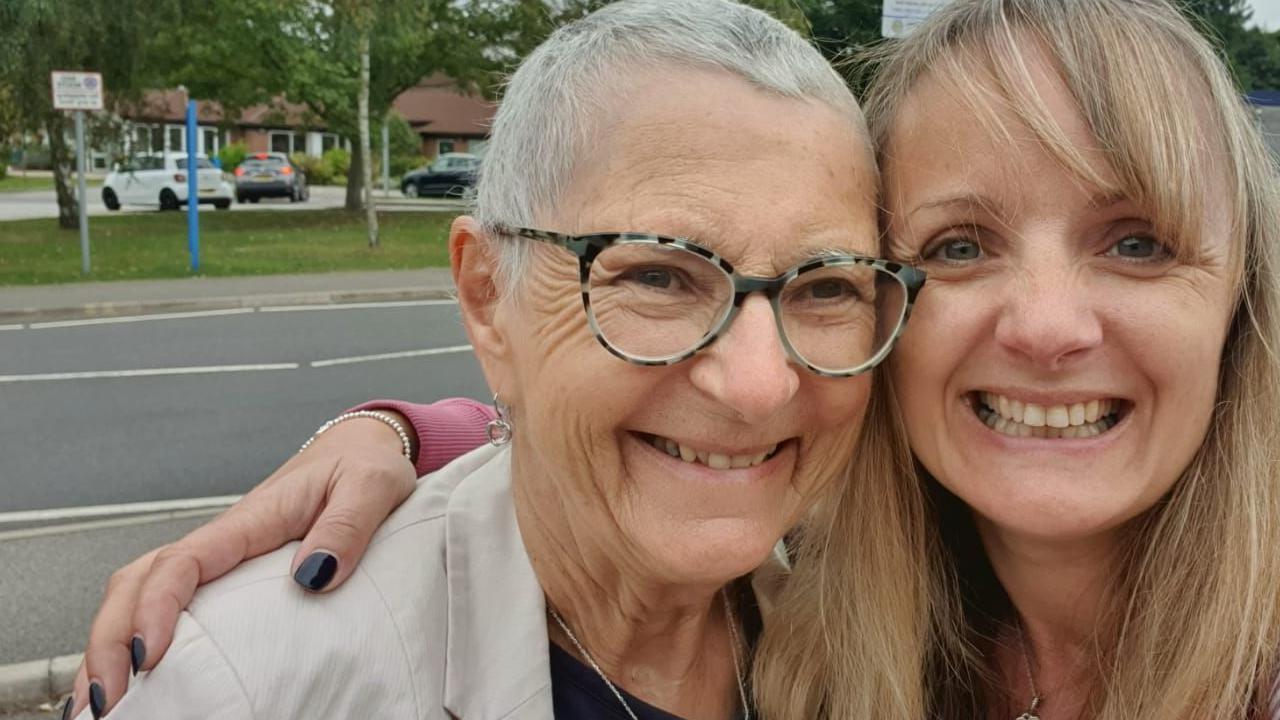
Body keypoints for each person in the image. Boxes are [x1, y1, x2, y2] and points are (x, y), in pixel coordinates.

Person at [73, 0, 1280, 717]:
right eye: (654, 273)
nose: (758, 385)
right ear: (484, 294)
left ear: (1243, 295)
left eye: (1137, 242)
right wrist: (421, 435)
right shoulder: (868, 617)